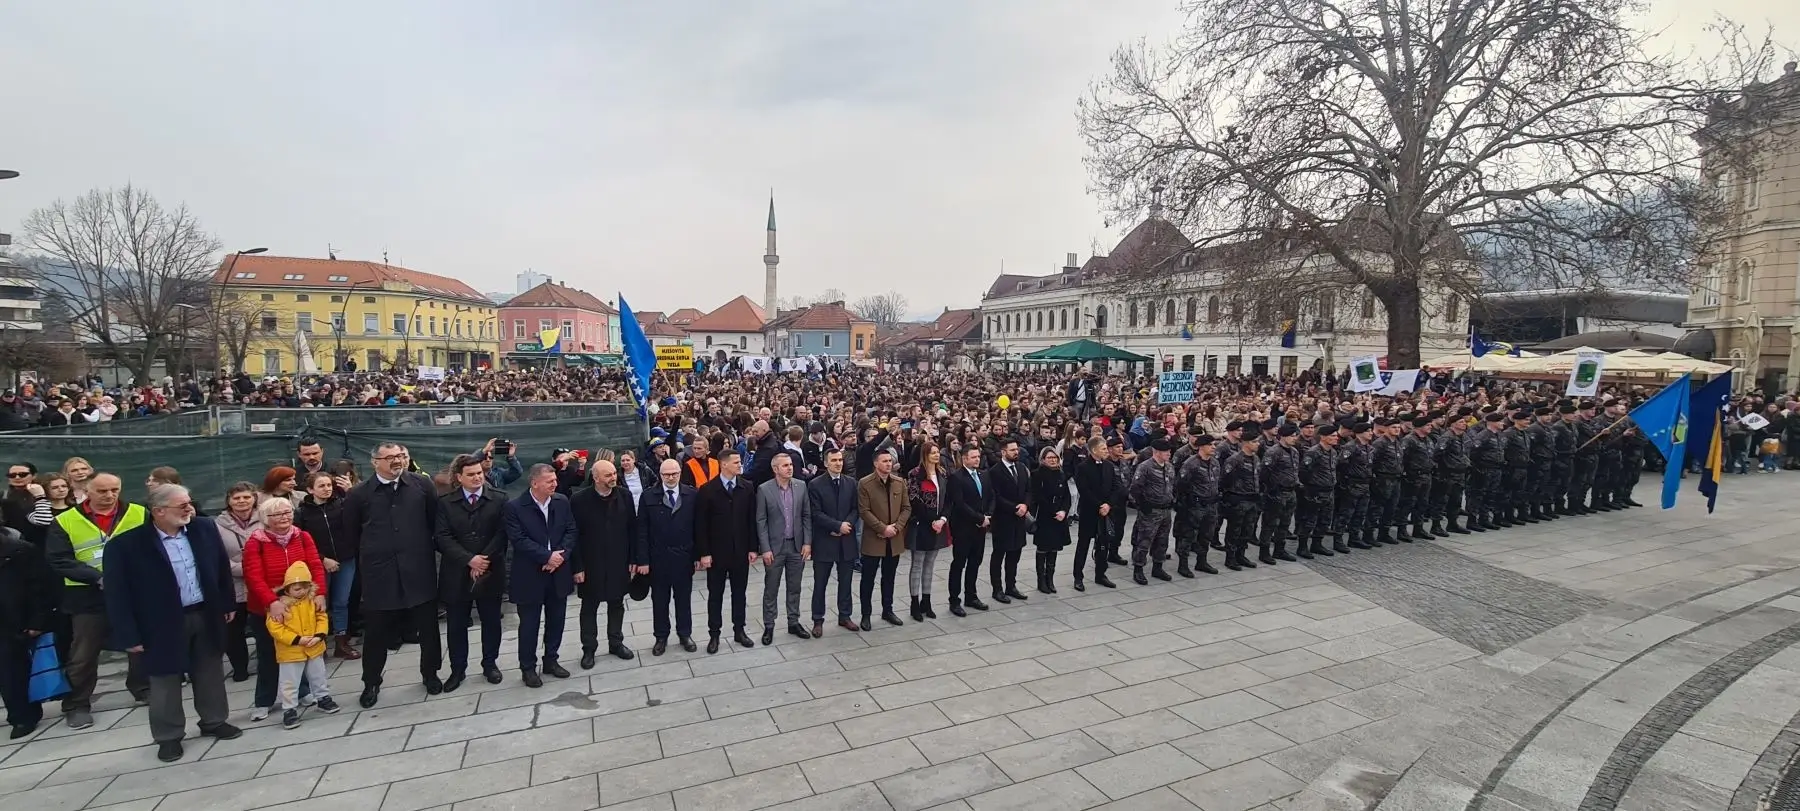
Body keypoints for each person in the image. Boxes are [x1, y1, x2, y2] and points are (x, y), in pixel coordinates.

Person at [101, 484, 242, 762]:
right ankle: (168, 736)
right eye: (183, 505)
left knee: (210, 671)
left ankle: (214, 720)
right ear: (159, 511)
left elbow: (220, 568)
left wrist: (227, 603)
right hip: (159, 622)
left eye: (190, 502)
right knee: (164, 680)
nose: (190, 508)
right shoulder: (126, 545)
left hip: (204, 613)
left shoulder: (204, 529)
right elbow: (118, 594)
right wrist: (129, 634)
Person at [44, 472, 148, 729]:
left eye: (114, 489)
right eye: (102, 491)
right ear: (86, 491)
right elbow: (59, 559)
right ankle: (77, 704)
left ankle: (143, 687)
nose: (109, 495)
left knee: (141, 644)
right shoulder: (65, 520)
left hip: (133, 591)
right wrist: (97, 578)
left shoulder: (138, 512)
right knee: (83, 653)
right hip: (87, 596)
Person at [343, 442, 443, 707]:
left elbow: (434, 522)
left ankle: (430, 674)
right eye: (389, 458)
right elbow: (352, 534)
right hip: (379, 574)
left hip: (418, 570)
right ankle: (371, 682)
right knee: (376, 633)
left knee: (428, 628)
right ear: (375, 462)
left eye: (399, 456)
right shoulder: (358, 494)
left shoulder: (422, 485)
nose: (396, 461)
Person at [240, 497, 325, 722]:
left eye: (287, 512)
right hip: (267, 608)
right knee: (269, 654)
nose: (285, 517)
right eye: (278, 514)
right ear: (266, 519)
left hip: (301, 606)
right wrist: (272, 601)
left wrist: (320, 593)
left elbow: (315, 565)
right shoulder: (256, 542)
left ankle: (303, 692)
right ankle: (264, 701)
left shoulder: (302, 536)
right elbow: (253, 576)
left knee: (301, 649)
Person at [434, 455, 508, 689]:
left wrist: (483, 560)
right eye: (471, 474)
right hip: (457, 573)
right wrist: (469, 560)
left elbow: (502, 533)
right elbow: (442, 537)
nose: (477, 477)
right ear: (459, 477)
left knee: (491, 621)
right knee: (456, 625)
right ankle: (458, 670)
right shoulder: (445, 503)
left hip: (490, 569)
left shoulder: (499, 498)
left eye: (479, 473)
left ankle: (490, 664)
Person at [504, 464, 579, 687]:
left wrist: (560, 557)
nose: (555, 484)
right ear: (534, 483)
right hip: (529, 574)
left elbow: (571, 530)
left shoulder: (561, 502)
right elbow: (518, 540)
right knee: (529, 624)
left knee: (556, 620)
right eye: (550, 481)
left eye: (555, 480)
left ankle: (551, 660)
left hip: (558, 572)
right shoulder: (515, 507)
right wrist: (546, 556)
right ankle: (528, 667)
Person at [572, 459, 644, 665]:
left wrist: (634, 558)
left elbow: (632, 528)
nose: (613, 477)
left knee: (617, 603)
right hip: (591, 563)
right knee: (589, 607)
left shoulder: (624, 495)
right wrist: (577, 567)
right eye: (608, 475)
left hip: (618, 561)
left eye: (614, 473)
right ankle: (589, 648)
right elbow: (573, 535)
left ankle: (616, 642)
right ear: (595, 478)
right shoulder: (578, 500)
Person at [695, 450, 757, 654]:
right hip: (716, 554)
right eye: (736, 462)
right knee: (715, 595)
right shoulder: (707, 490)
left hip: (740, 551)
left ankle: (739, 630)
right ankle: (714, 634)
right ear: (724, 465)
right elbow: (701, 525)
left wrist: (753, 548)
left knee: (739, 593)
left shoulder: (746, 487)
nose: (740, 465)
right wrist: (704, 553)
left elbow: (751, 520)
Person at [265, 561, 339, 729]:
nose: (302, 592)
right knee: (289, 682)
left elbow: (322, 617)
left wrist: (319, 635)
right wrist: (296, 639)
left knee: (318, 675)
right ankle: (289, 709)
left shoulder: (312, 600)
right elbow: (275, 627)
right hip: (290, 651)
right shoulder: (280, 605)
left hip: (313, 646)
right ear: (287, 588)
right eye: (297, 589)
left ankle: (323, 698)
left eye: (305, 588)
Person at [0, 524, 58, 739]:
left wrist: (37, 621)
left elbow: (40, 589)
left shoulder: (20, 551)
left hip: (12, 622)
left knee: (11, 672)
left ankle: (22, 716)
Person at [296, 472, 358, 660]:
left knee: (341, 602)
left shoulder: (341, 505)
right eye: (321, 486)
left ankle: (341, 642)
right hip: (318, 563)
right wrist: (323, 559)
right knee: (319, 603)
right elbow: (302, 541)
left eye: (329, 485)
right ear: (310, 490)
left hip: (345, 560)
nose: (327, 489)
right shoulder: (302, 513)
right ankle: (319, 643)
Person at [639, 458, 698, 656]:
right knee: (660, 600)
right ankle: (661, 636)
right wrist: (643, 560)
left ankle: (685, 634)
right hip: (658, 558)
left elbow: (698, 527)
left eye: (674, 474)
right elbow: (642, 530)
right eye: (666, 474)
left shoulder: (691, 494)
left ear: (680, 473)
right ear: (660, 475)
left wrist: (698, 555)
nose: (671, 477)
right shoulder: (648, 496)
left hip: (684, 556)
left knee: (683, 599)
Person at [756, 453, 813, 643]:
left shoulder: (801, 486)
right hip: (775, 547)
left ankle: (793, 621)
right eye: (785, 465)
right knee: (771, 588)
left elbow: (806, 516)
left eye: (790, 465)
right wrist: (765, 548)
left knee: (794, 586)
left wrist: (807, 542)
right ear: (775, 469)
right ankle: (769, 625)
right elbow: (761, 521)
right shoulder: (764, 489)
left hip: (796, 546)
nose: (790, 468)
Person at [806, 448, 860, 636]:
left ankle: (845, 615)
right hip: (825, 540)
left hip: (846, 540)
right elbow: (815, 512)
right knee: (820, 583)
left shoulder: (851, 483)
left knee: (846, 582)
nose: (838, 463)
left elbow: (855, 508)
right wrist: (837, 526)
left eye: (840, 460)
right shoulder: (815, 485)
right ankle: (817, 619)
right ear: (826, 463)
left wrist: (847, 525)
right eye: (834, 460)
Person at [213, 481, 263, 681]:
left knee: (263, 628)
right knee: (233, 632)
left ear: (254, 499)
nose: (242, 501)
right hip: (233, 586)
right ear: (229, 501)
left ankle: (265, 664)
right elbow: (216, 556)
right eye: (237, 498)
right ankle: (240, 668)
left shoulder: (265, 519)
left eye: (246, 497)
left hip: (260, 584)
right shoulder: (216, 525)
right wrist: (242, 569)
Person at [857, 449, 910, 630]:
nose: (888, 464)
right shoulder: (865, 483)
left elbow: (906, 508)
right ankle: (866, 614)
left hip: (894, 538)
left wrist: (896, 527)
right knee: (868, 578)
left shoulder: (899, 482)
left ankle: (888, 610)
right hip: (874, 538)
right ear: (875, 463)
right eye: (884, 461)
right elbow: (864, 511)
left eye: (890, 461)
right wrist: (882, 528)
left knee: (889, 577)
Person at [944, 446, 992, 613]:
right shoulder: (956, 477)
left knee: (975, 562)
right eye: (973, 457)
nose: (977, 459)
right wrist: (979, 518)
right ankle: (954, 600)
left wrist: (988, 516)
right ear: (964, 458)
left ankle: (971, 596)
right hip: (963, 528)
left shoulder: (984, 475)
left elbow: (990, 496)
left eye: (978, 456)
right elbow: (959, 503)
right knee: (959, 564)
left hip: (980, 528)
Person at [905, 442, 949, 621]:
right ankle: (914, 602)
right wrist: (931, 521)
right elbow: (914, 499)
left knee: (930, 564)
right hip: (921, 524)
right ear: (925, 455)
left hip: (938, 524)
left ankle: (927, 600)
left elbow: (948, 499)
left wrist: (942, 519)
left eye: (938, 452)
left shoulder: (942, 473)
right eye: (933, 453)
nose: (937, 455)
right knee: (917, 564)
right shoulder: (915, 474)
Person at [986, 439, 1030, 603]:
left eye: (1017, 449)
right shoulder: (995, 471)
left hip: (1020, 518)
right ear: (1003, 452)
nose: (1016, 452)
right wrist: (1014, 508)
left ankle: (1011, 586)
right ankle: (997, 589)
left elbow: (1028, 489)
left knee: (1015, 553)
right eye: (1012, 450)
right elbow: (995, 496)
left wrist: (1025, 505)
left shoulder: (1021, 468)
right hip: (1003, 519)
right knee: (999, 554)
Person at [1130, 439, 1177, 584]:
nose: (1169, 453)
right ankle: (1138, 569)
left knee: (1162, 541)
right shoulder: (1145, 467)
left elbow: (1172, 485)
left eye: (1169, 451)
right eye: (1166, 451)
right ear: (1156, 452)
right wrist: (1142, 505)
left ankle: (1158, 567)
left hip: (1165, 510)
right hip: (1150, 510)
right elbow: (1135, 488)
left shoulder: (1169, 467)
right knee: (1144, 541)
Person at [1031, 446, 1072, 594]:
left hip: (1059, 517)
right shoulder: (1037, 474)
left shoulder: (1061, 473)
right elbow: (1038, 496)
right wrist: (1054, 511)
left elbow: (1066, 496)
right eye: (1049, 458)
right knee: (1043, 548)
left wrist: (1064, 511)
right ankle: (1041, 580)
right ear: (1043, 460)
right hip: (1045, 516)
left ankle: (1050, 579)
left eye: (1055, 458)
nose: (1053, 460)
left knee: (1054, 548)